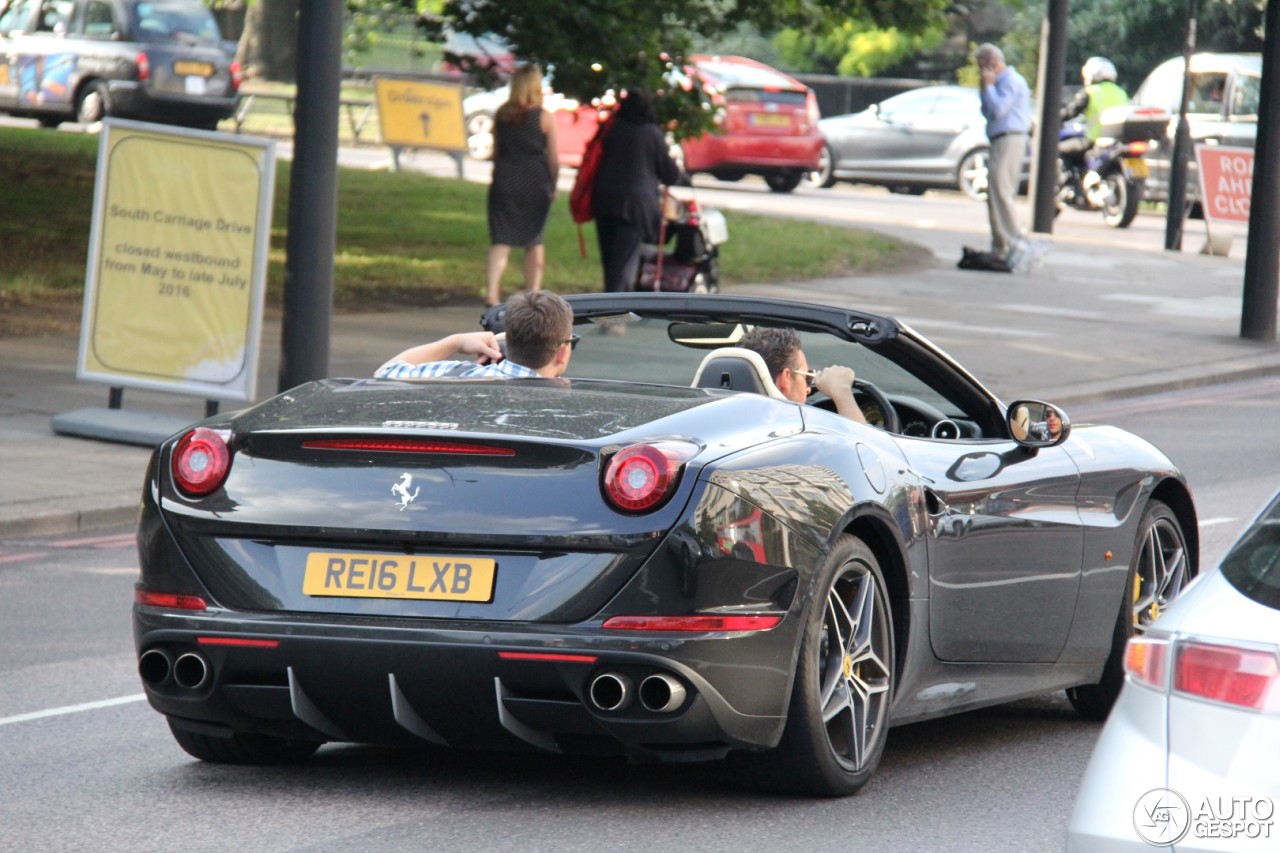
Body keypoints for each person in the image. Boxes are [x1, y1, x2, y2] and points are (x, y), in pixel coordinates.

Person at [591, 88, 683, 292]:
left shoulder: (612, 129)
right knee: (623, 260)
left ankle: (610, 302)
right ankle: (614, 310)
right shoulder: (652, 133)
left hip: (604, 201)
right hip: (635, 206)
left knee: (610, 259)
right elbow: (670, 174)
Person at [485, 63, 560, 307]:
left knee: (501, 241)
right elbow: (554, 159)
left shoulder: (503, 115)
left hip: (504, 180)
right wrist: (554, 185)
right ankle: (532, 295)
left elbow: (496, 152)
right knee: (534, 242)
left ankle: (492, 293)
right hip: (535, 183)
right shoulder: (544, 118)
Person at [375, 291, 575, 379]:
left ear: (508, 340)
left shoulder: (460, 375)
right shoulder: (577, 405)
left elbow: (385, 373)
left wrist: (455, 342)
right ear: (562, 352)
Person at [975, 43, 1032, 269]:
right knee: (995, 193)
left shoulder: (1010, 81)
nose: (981, 72)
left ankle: (1013, 243)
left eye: (982, 67)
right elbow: (987, 110)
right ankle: (1000, 246)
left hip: (1009, 137)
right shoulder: (1000, 82)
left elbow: (998, 110)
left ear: (992, 63)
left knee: (1001, 190)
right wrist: (986, 88)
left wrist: (988, 87)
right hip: (1001, 138)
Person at [738, 328, 866, 424]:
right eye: (807, 378)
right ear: (785, 379)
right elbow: (865, 452)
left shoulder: (726, 418)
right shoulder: (797, 433)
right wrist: (842, 391)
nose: (809, 389)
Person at [1059, 57, 1129, 175]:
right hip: (1117, 142)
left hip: (1093, 140)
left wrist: (1055, 118)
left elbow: (1070, 112)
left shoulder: (1090, 92)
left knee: (1060, 149)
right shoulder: (1122, 93)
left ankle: (1069, 181)